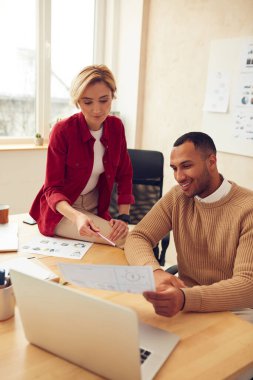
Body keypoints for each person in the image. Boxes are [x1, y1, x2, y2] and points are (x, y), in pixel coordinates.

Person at [125, 131, 253, 322]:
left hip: (234, 308)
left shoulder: (248, 208)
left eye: (186, 166)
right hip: (185, 300)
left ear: (211, 161)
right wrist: (155, 272)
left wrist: (186, 299)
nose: (179, 176)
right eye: (174, 168)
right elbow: (138, 236)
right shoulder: (178, 196)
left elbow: (247, 285)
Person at [30, 65, 134, 247]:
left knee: (132, 239)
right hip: (64, 211)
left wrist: (123, 217)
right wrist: (77, 217)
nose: (97, 110)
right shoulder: (63, 131)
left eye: (104, 100)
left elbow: (125, 175)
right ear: (78, 102)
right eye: (88, 102)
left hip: (95, 205)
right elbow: (52, 189)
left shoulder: (116, 127)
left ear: (112, 97)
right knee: (128, 242)